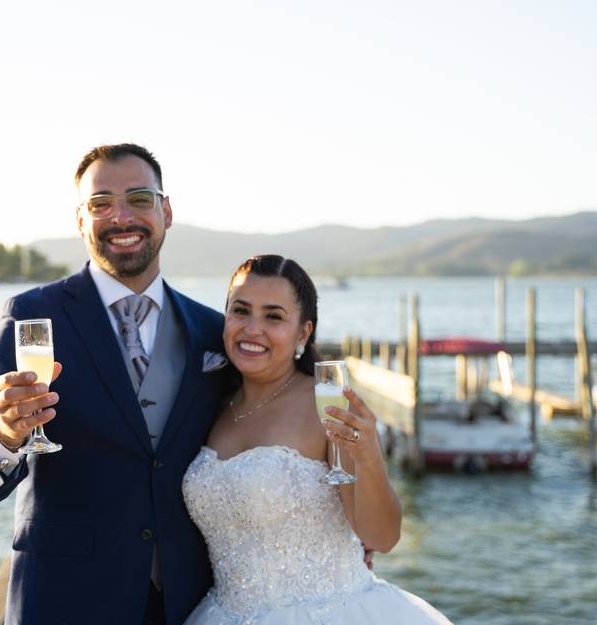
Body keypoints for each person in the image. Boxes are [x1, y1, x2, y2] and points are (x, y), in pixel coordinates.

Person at [0, 143, 227, 624]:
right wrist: (7, 434)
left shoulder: (210, 329)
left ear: (166, 210)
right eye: (101, 204)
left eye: (139, 199)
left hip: (189, 602)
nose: (121, 217)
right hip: (65, 601)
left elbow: (259, 430)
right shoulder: (31, 315)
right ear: (80, 220)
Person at [182, 255, 453, 624]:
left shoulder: (327, 405)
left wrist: (370, 456)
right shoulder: (211, 403)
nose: (252, 329)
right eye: (240, 311)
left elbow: (383, 537)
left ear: (303, 332)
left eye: (273, 316)